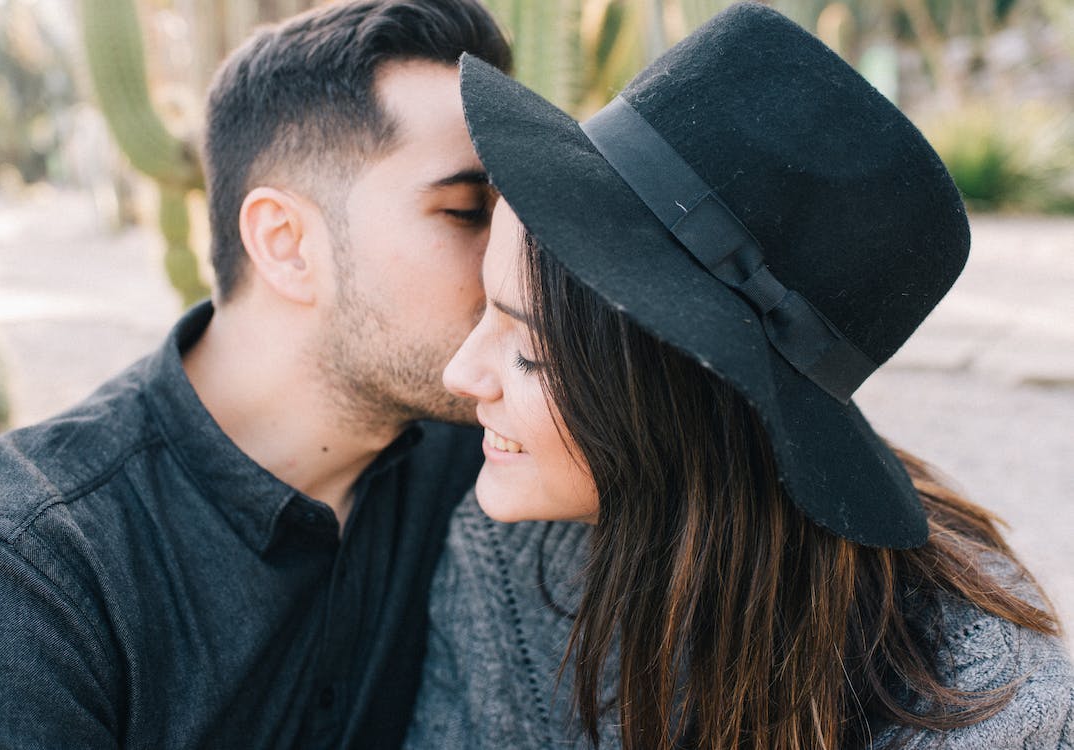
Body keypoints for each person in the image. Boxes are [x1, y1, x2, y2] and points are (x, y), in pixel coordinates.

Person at [404, 4, 1074, 749]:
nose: (460, 374)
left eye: (529, 351)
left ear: (686, 397)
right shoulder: (505, 558)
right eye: (481, 315)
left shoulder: (990, 702)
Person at [0, 1, 510, 747]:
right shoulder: (19, 571)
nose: (515, 260)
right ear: (285, 243)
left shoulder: (498, 455)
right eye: (469, 209)